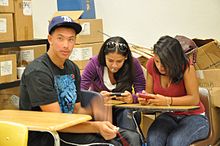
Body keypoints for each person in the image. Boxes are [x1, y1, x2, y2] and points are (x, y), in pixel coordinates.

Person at [19, 15, 141, 146]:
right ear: (50, 39)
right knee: (111, 145)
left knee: (132, 138)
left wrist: (95, 107)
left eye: (70, 39)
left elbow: (76, 110)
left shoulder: (72, 68)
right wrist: (96, 126)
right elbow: (57, 122)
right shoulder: (38, 72)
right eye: (60, 38)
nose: (66, 45)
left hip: (72, 128)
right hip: (48, 136)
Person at [138, 35, 209, 146]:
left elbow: (194, 99)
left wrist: (167, 101)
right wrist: (146, 100)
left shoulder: (186, 67)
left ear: (175, 60)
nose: (160, 67)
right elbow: (149, 94)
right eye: (157, 61)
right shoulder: (151, 64)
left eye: (165, 63)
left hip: (194, 117)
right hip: (169, 115)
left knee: (174, 142)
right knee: (153, 140)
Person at [81, 36, 146, 131]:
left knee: (127, 122)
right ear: (104, 56)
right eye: (110, 60)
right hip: (100, 110)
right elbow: (81, 90)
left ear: (126, 57)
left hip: (124, 109)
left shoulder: (133, 63)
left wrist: (133, 98)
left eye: (119, 61)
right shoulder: (94, 63)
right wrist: (97, 97)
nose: (114, 65)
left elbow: (141, 92)